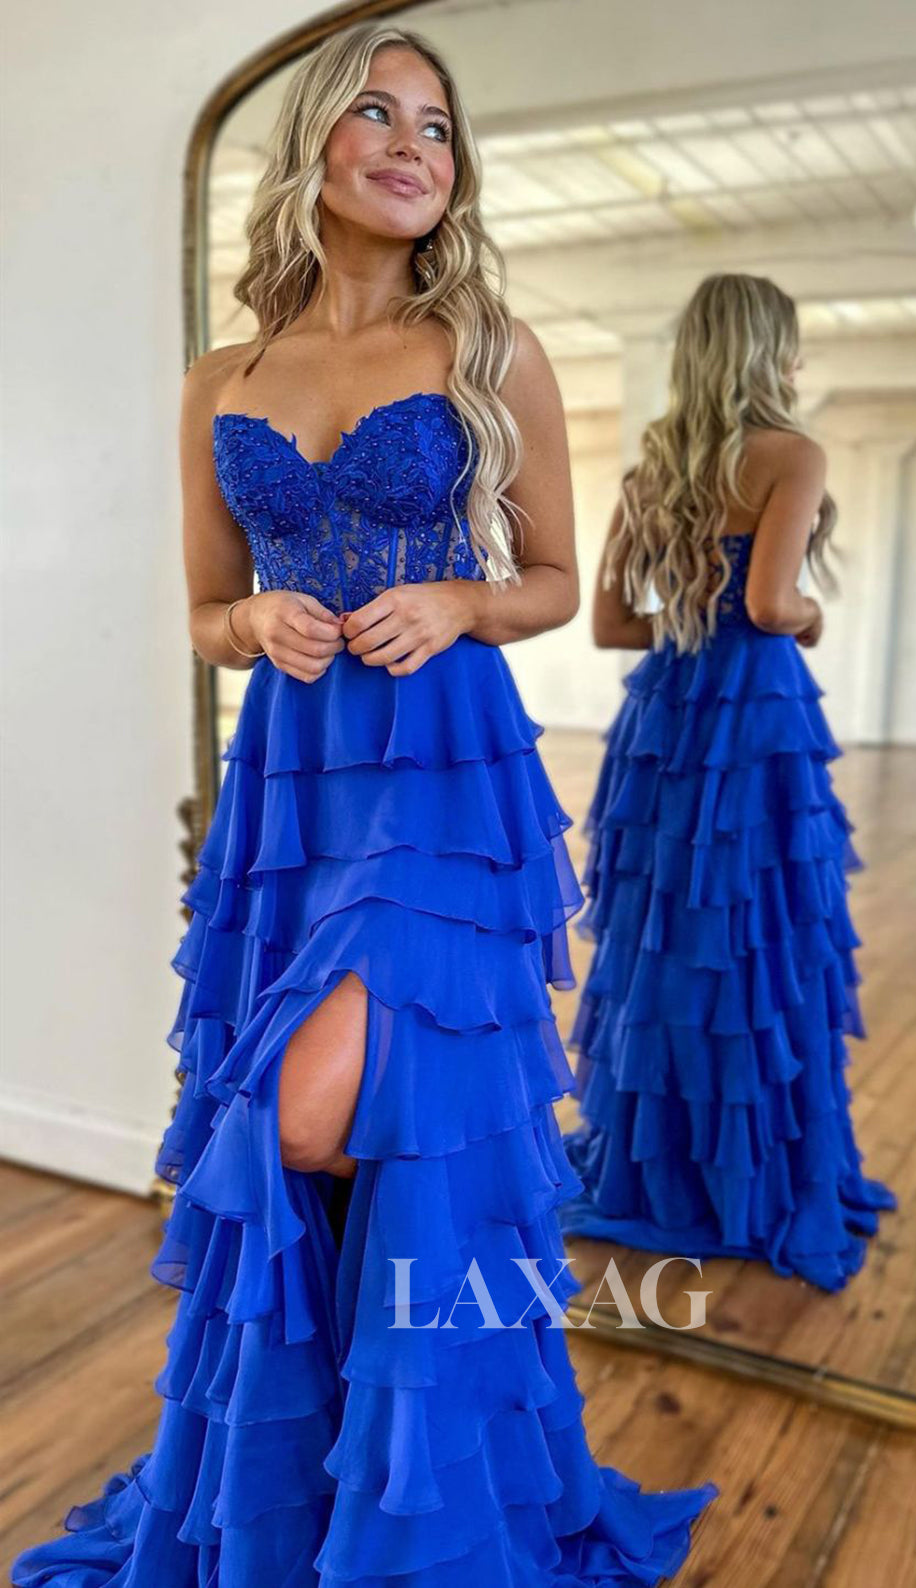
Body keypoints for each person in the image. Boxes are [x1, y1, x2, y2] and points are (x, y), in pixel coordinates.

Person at [11, 24, 718, 1587]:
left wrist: (462, 600)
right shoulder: (221, 380)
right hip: (294, 786)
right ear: (317, 146)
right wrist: (251, 622)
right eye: (380, 115)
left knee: (312, 1114)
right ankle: (354, 1496)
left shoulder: (489, 350)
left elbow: (555, 577)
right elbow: (204, 609)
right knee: (361, 1137)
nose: (413, 146)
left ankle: (420, 1490)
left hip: (446, 780)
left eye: (439, 128)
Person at [558, 273, 897, 1294]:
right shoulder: (792, 454)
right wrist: (812, 618)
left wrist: (687, 626)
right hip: (752, 715)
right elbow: (771, 603)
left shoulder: (650, 470)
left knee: (667, 935)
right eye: (789, 343)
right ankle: (745, 1176)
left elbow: (611, 625)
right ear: (767, 351)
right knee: (757, 935)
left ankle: (659, 1164)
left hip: (667, 715)